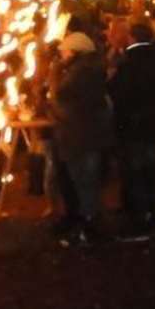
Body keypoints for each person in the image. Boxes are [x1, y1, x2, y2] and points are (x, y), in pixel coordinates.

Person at [108, 17, 155, 233]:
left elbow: (118, 92)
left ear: (131, 37)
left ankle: (139, 216)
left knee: (135, 171)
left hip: (133, 125)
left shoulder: (128, 63)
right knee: (153, 169)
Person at [52, 30, 113, 240]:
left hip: (80, 135)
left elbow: (60, 96)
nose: (62, 56)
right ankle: (86, 222)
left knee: (84, 182)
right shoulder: (90, 70)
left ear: (74, 52)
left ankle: (89, 227)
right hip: (85, 134)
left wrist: (54, 73)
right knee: (84, 182)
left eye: (64, 52)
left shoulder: (80, 73)